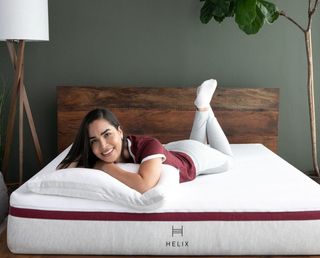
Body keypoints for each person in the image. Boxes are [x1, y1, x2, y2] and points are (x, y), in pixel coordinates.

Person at [58, 79, 233, 193]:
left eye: (107, 134)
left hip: (193, 159)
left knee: (227, 159)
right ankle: (202, 107)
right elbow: (62, 171)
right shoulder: (98, 151)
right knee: (196, 142)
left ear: (120, 131)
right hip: (174, 149)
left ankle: (204, 108)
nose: (103, 146)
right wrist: (84, 150)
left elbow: (143, 185)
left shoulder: (148, 145)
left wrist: (105, 167)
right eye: (94, 140)